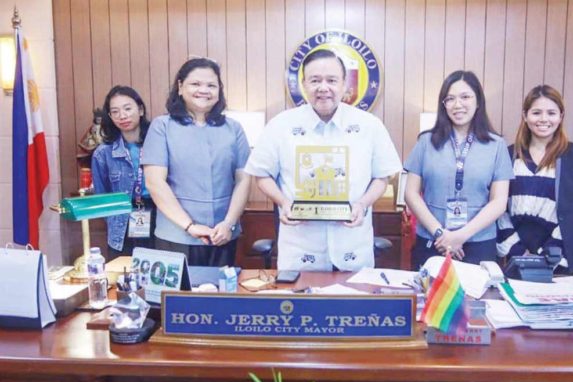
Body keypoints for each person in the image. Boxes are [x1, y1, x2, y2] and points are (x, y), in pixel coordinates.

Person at [244, 49, 402, 271]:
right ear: (304, 84)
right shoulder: (281, 125)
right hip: (300, 248)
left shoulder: (369, 126)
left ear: (345, 83)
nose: (323, 87)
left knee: (352, 305)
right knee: (301, 305)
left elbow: (381, 177)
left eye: (332, 80)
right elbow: (261, 174)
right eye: (315, 80)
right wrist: (283, 202)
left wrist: (363, 204)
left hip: (352, 246)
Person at [143, 58, 251, 266]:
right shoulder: (162, 127)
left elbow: (244, 180)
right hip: (176, 235)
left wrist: (228, 223)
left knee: (221, 294)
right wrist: (189, 226)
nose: (204, 90)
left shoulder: (234, 128)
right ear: (180, 87)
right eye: (196, 84)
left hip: (223, 235)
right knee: (180, 298)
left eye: (211, 85)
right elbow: (155, 183)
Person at [404, 70, 513, 268]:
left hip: (478, 243)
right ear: (443, 105)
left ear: (478, 101)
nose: (458, 105)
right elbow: (411, 194)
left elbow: (499, 202)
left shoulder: (497, 145)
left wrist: (460, 236)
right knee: (430, 298)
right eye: (450, 99)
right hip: (432, 242)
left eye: (465, 97)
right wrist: (441, 234)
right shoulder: (426, 141)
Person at [496, 85, 573, 274]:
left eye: (551, 113)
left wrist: (548, 256)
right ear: (525, 116)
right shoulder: (507, 155)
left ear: (561, 116)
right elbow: (499, 208)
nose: (544, 119)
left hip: (562, 262)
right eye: (536, 113)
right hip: (516, 259)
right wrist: (519, 253)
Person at [92, 86, 156, 260]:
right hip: (122, 218)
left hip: (159, 213)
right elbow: (101, 198)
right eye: (115, 111)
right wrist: (116, 218)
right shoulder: (103, 153)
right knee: (124, 276)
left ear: (140, 110)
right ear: (110, 117)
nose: (123, 116)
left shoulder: (158, 144)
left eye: (128, 108)